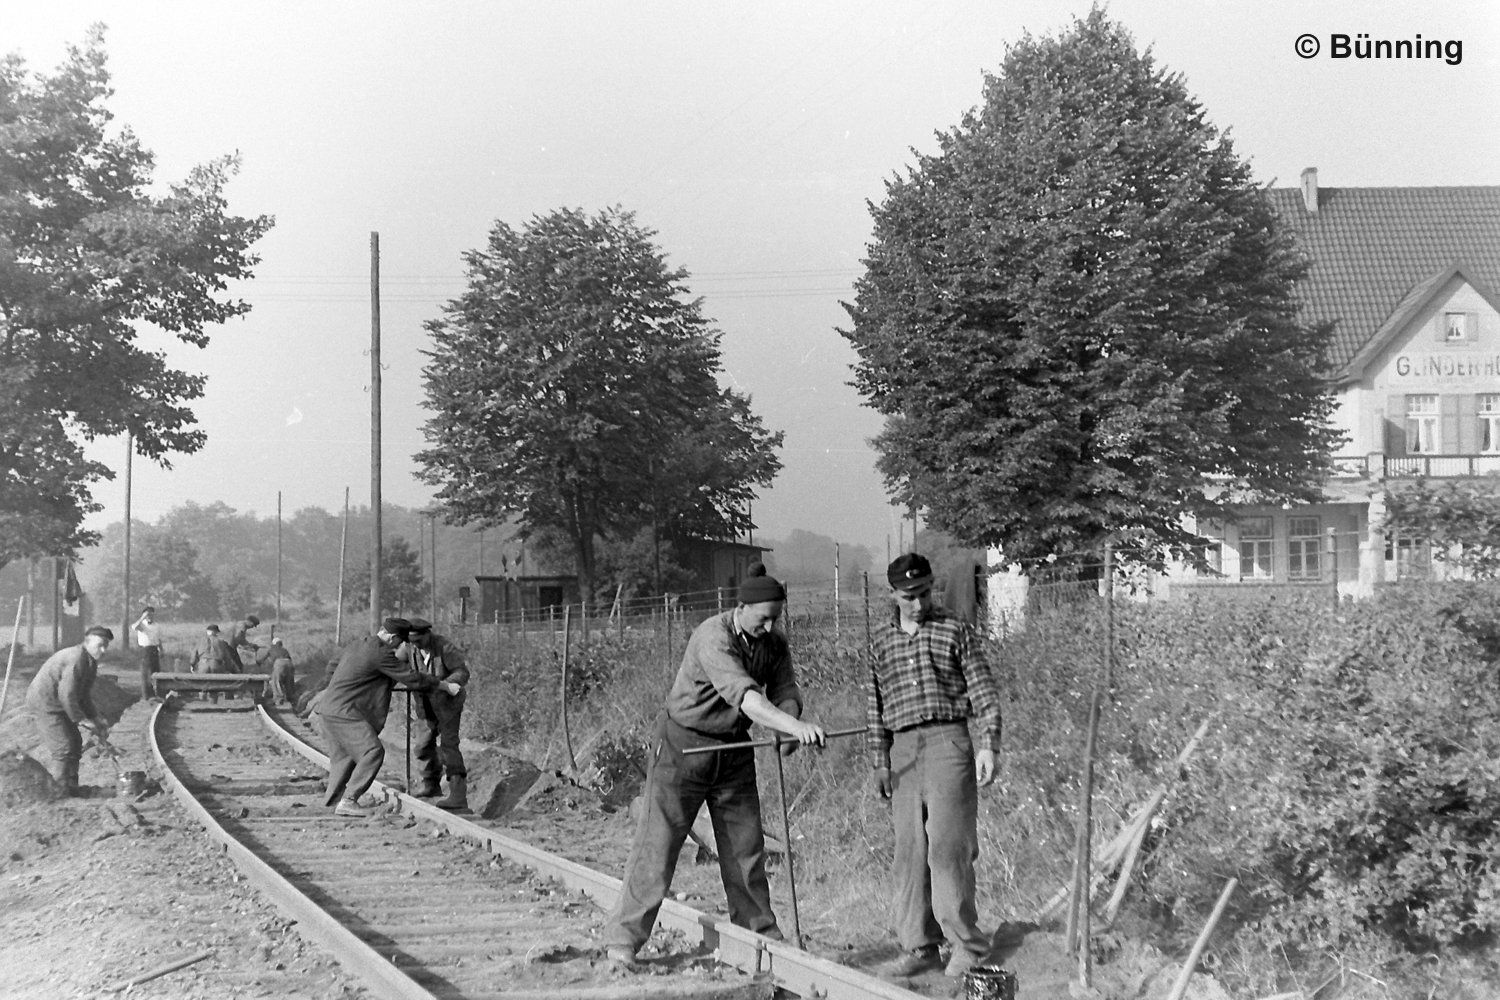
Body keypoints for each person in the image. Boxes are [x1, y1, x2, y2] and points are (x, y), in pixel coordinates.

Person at [606, 564, 827, 969]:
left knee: (746, 850)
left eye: (776, 617)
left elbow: (784, 689)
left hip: (734, 751)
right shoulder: (713, 636)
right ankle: (623, 941)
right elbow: (745, 697)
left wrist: (790, 723)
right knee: (658, 847)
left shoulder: (773, 641)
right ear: (741, 607)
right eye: (763, 618)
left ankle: (759, 936)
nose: (770, 626)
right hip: (682, 750)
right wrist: (793, 724)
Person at [868, 552, 1003, 979]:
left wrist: (988, 744)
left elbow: (982, 688)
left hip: (949, 742)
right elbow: (874, 706)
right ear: (893, 594)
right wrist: (879, 761)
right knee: (910, 853)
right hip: (903, 752)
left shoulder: (954, 629)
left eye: (925, 592)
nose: (919, 603)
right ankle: (920, 946)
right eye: (909, 596)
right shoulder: (880, 642)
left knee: (949, 847)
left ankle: (968, 946)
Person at [314, 617, 459, 818]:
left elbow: (332, 666)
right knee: (372, 751)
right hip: (344, 712)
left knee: (344, 758)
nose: (400, 646)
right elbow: (411, 677)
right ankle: (349, 801)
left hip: (329, 708)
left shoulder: (358, 644)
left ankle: (333, 802)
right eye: (400, 642)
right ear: (391, 637)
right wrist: (444, 685)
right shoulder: (380, 653)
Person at [25, 626, 114, 797]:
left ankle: (71, 787)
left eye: (106, 646)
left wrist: (96, 718)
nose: (103, 650)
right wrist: (81, 720)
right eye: (100, 645)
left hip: (59, 703)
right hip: (46, 703)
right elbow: (67, 694)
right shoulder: (76, 659)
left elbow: (83, 695)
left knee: (75, 741)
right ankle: (59, 792)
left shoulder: (90, 662)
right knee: (64, 747)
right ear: (87, 643)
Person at [401, 617, 471, 810]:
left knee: (449, 745)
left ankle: (458, 795)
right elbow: (394, 664)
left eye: (418, 641)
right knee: (423, 744)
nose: (415, 645)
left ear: (427, 635)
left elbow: (462, 672)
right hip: (424, 705)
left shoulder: (444, 647)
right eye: (411, 641)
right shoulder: (408, 648)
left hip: (448, 705)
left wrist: (446, 685)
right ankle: (430, 785)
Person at [190, 624, 242, 703]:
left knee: (202, 683)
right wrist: (229, 669)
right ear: (216, 632)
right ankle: (213, 704)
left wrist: (192, 665)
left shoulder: (200, 641)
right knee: (215, 686)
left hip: (203, 665)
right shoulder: (221, 642)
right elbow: (228, 659)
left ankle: (202, 699)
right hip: (217, 664)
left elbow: (193, 657)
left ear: (207, 632)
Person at [256, 635, 298, 708]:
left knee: (276, 681)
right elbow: (289, 659)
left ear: (273, 644)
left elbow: (262, 660)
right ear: (280, 643)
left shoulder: (271, 649)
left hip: (279, 663)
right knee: (289, 681)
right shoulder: (285, 650)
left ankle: (278, 699)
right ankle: (291, 698)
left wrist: (258, 661)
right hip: (289, 663)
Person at [132, 606, 163, 701]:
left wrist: (161, 649)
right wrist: (142, 617)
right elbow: (134, 627)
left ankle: (156, 694)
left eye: (151, 614)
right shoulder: (142, 625)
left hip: (154, 649)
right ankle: (146, 695)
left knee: (156, 672)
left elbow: (158, 639)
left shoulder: (157, 626)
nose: (150, 616)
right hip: (145, 650)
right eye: (148, 614)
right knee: (146, 673)